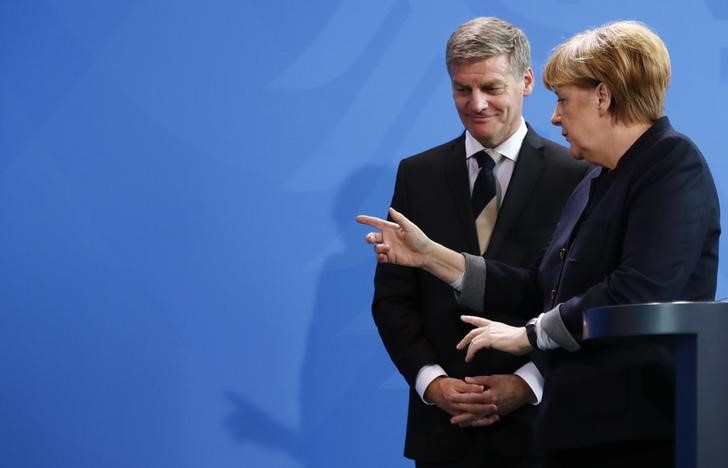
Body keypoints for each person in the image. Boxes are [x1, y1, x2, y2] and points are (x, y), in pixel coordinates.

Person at [359, 20, 720, 468]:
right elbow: (542, 287)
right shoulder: (602, 177)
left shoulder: (671, 164)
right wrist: (432, 256)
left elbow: (636, 292)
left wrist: (528, 335)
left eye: (563, 100)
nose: (554, 116)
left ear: (603, 96)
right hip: (579, 434)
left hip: (636, 436)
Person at [370, 16, 588, 468]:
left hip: (542, 430)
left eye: (491, 87)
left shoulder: (579, 175)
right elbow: (393, 300)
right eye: (461, 89)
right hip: (444, 434)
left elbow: (584, 300)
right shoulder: (418, 174)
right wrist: (433, 383)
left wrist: (527, 383)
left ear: (526, 81)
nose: (477, 103)